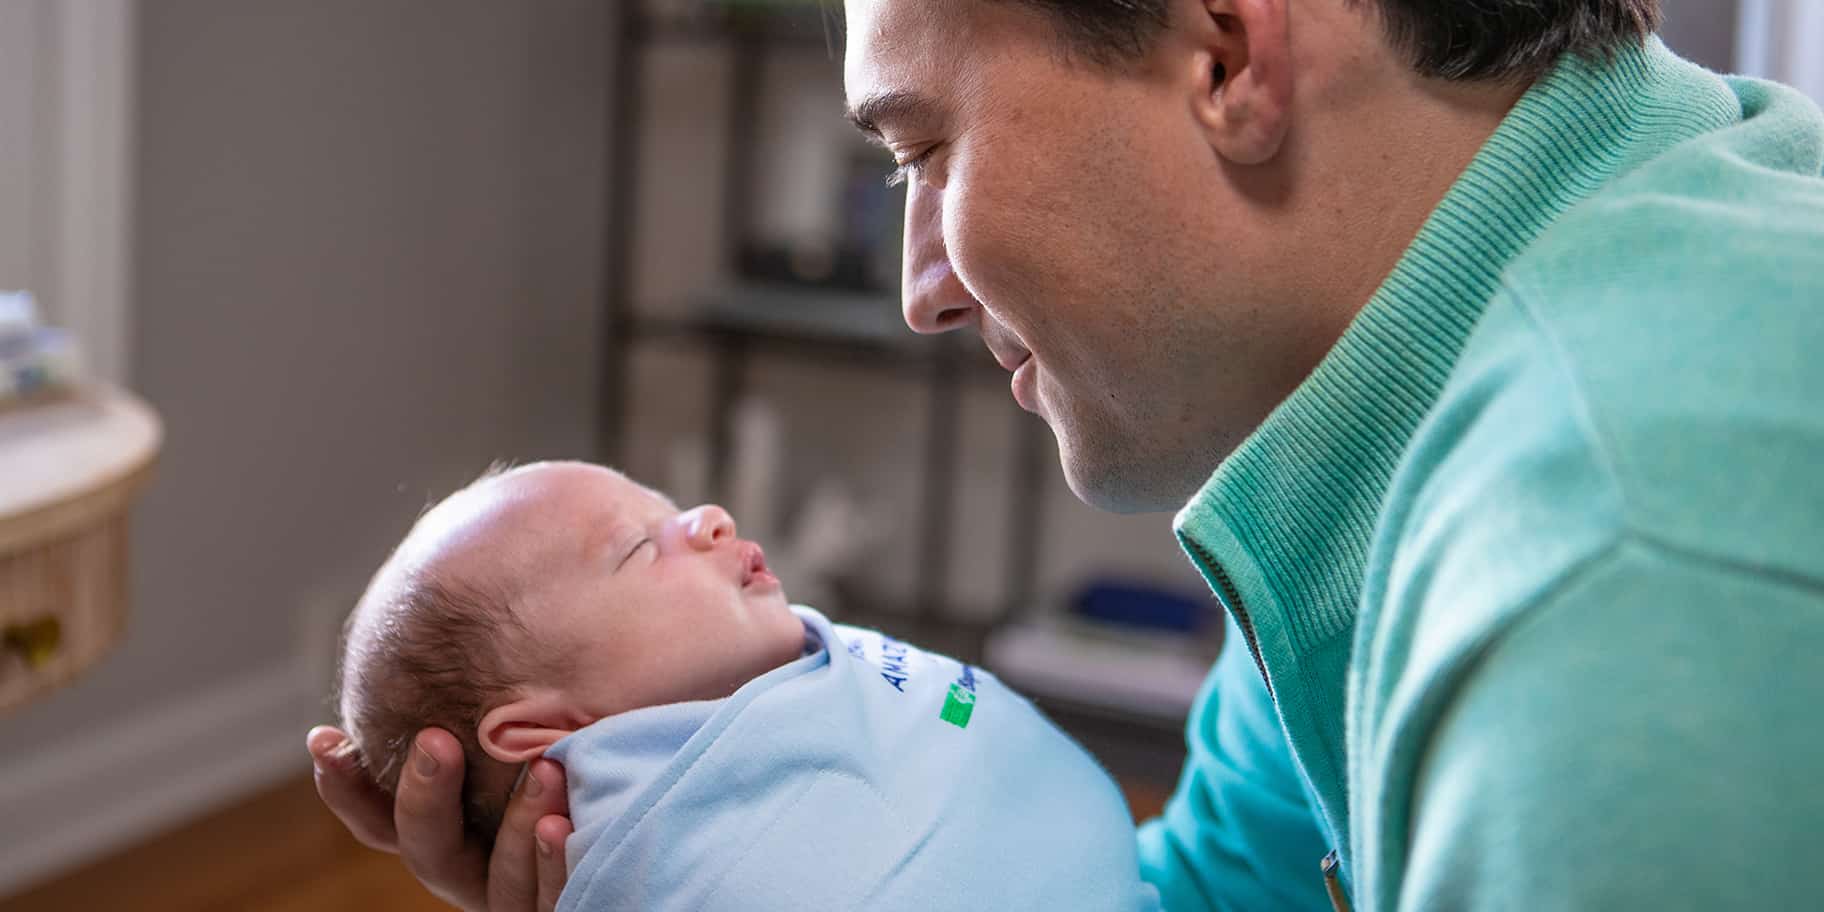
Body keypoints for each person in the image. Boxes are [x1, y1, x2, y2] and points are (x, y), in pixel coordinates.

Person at [310, 0, 1824, 908]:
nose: (920, 289)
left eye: (926, 148)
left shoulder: (1617, 588)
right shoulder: (1380, 439)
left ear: (1227, 52)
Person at [334, 461, 1157, 911]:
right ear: (540, 729)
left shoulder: (801, 664)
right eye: (638, 548)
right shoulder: (658, 857)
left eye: (672, 508)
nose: (710, 518)